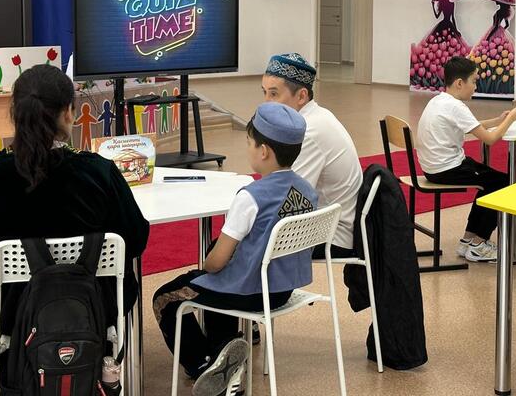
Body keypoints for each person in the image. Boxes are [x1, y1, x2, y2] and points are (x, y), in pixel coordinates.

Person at [0, 65, 150, 389]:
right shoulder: (99, 173)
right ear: (69, 113)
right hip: (94, 310)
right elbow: (135, 239)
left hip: (7, 313)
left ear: (15, 113)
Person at [152, 102, 317, 394]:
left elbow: (216, 262)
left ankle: (203, 366)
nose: (248, 148)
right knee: (219, 282)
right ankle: (224, 351)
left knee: (167, 296)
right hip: (282, 289)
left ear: (263, 151)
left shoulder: (251, 197)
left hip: (249, 293)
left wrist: (206, 266)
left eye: (249, 142)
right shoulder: (308, 191)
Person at [417, 56, 516, 262]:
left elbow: (468, 125)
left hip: (434, 167)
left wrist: (498, 120)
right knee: (503, 183)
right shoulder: (456, 107)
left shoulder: (439, 100)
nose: (475, 86)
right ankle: (478, 245)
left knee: (490, 181)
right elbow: (490, 139)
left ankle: (468, 240)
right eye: (474, 81)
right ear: (459, 83)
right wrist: (511, 119)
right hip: (446, 169)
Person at [261, 53, 361, 258]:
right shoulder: (316, 116)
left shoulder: (308, 132)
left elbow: (290, 198)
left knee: (238, 245)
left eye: (274, 94)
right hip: (325, 222)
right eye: (264, 93)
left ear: (301, 96)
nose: (266, 103)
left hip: (332, 235)